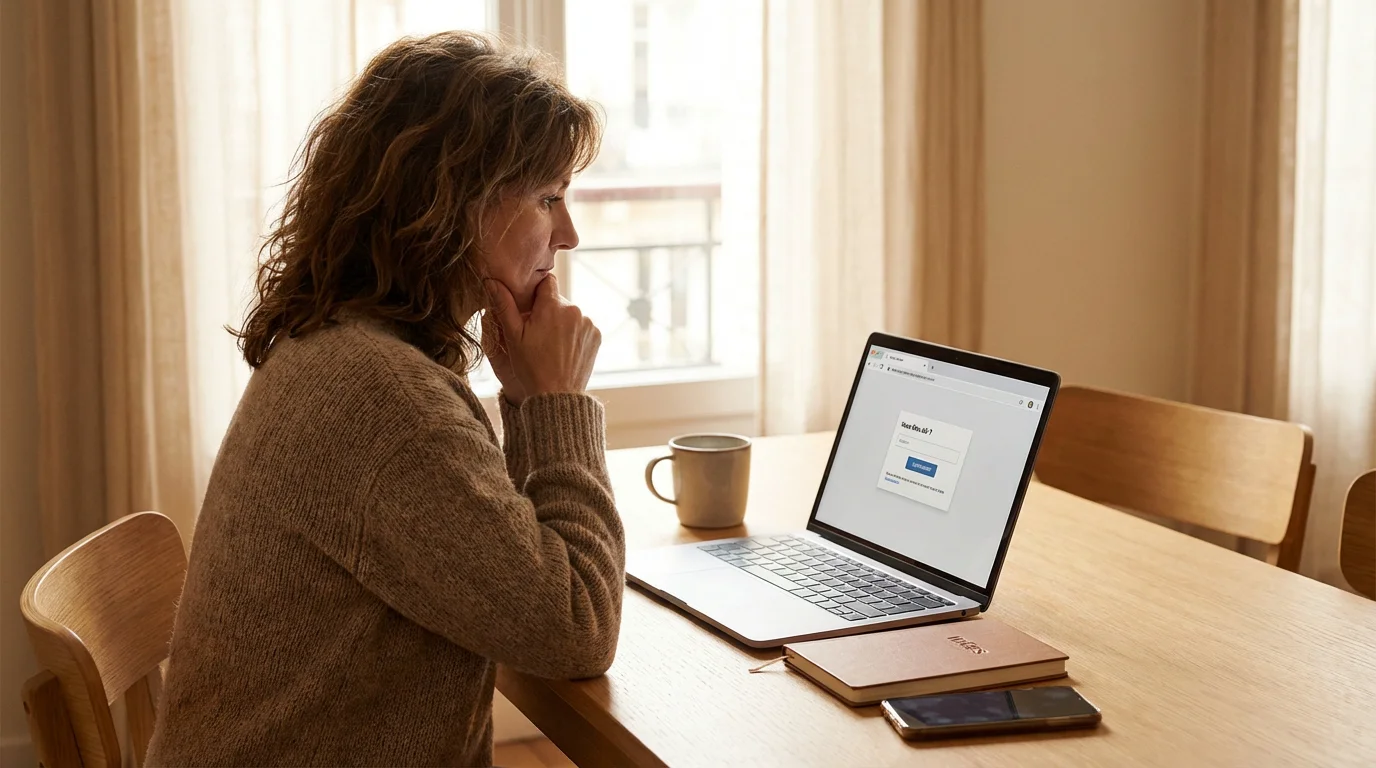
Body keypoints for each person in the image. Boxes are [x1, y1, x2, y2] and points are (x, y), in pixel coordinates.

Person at [146, 31, 623, 767]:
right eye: (548, 198)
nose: (569, 235)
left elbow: (514, 577)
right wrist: (558, 401)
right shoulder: (388, 407)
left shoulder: (346, 347)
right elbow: (576, 627)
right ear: (455, 203)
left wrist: (529, 397)